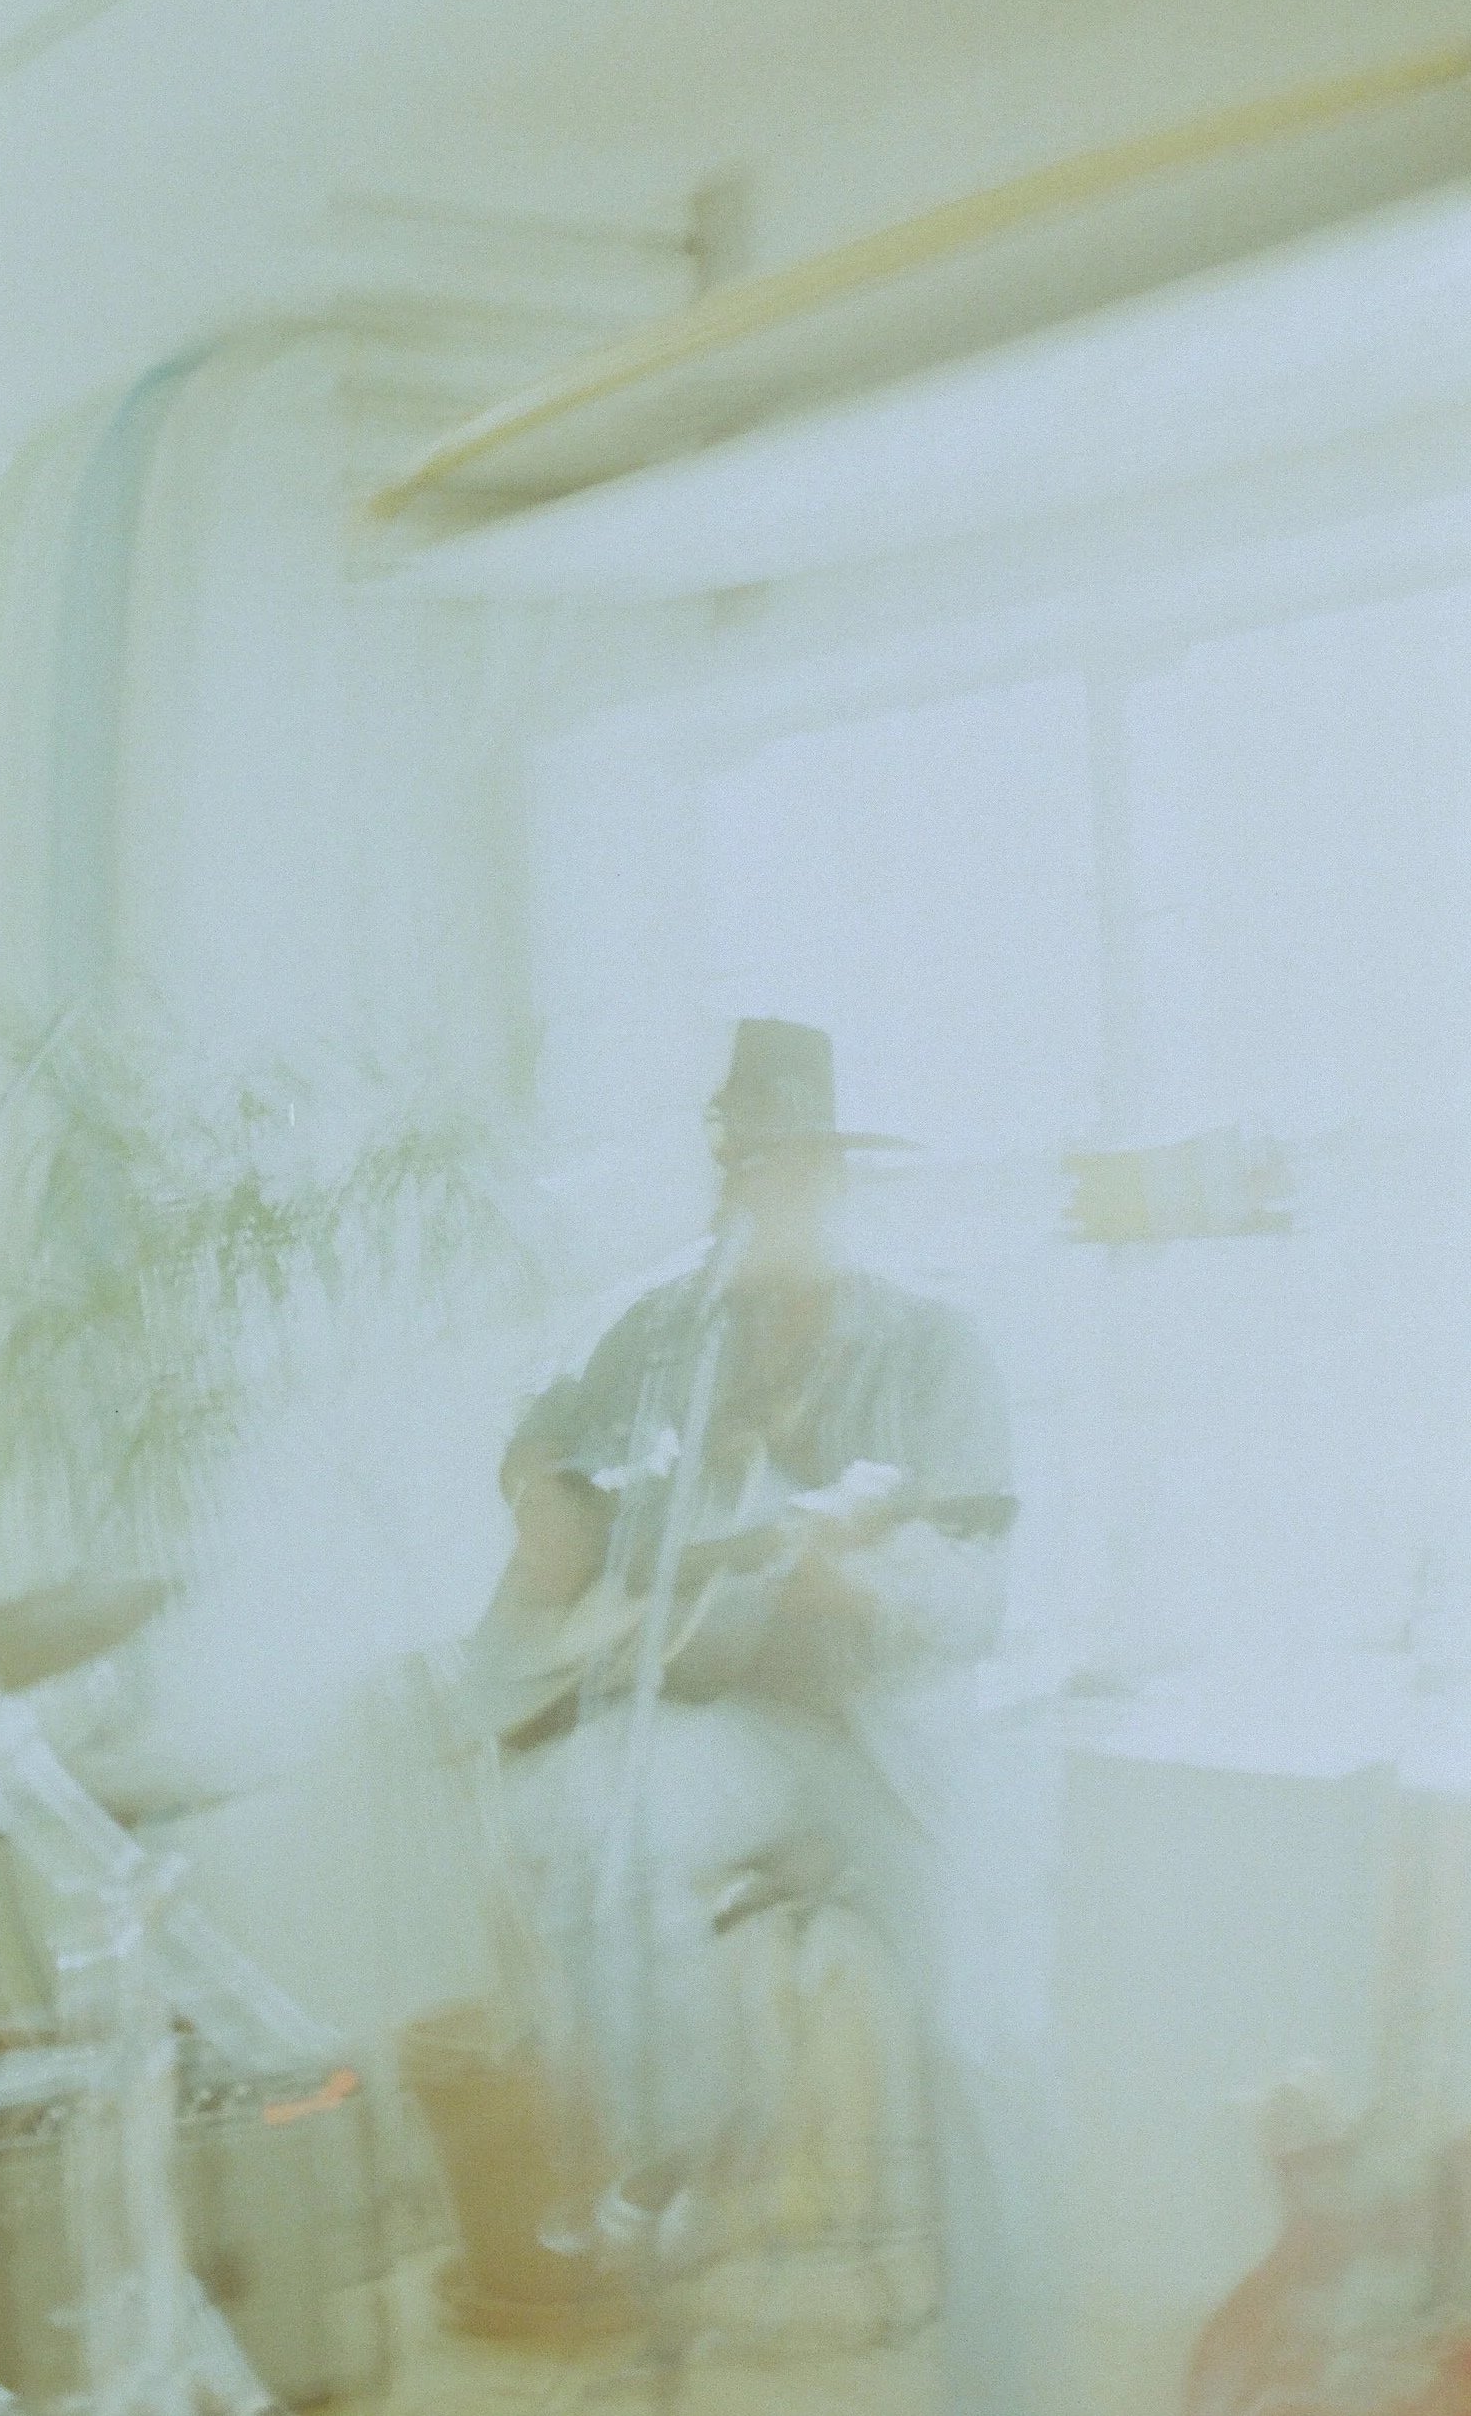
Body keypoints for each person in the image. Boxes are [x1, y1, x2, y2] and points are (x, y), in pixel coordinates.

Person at [455, 1019, 1052, 2415]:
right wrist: (536, 1484)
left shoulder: (934, 1346)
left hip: (896, 1737)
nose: (763, 1192)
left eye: (794, 1168)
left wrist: (863, 1585)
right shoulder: (667, 1336)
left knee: (986, 2034)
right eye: (744, 1165)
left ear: (839, 1182)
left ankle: (1013, 2383)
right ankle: (698, 2166)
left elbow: (972, 1604)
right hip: (742, 1725)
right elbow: (550, 1425)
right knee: (579, 1820)